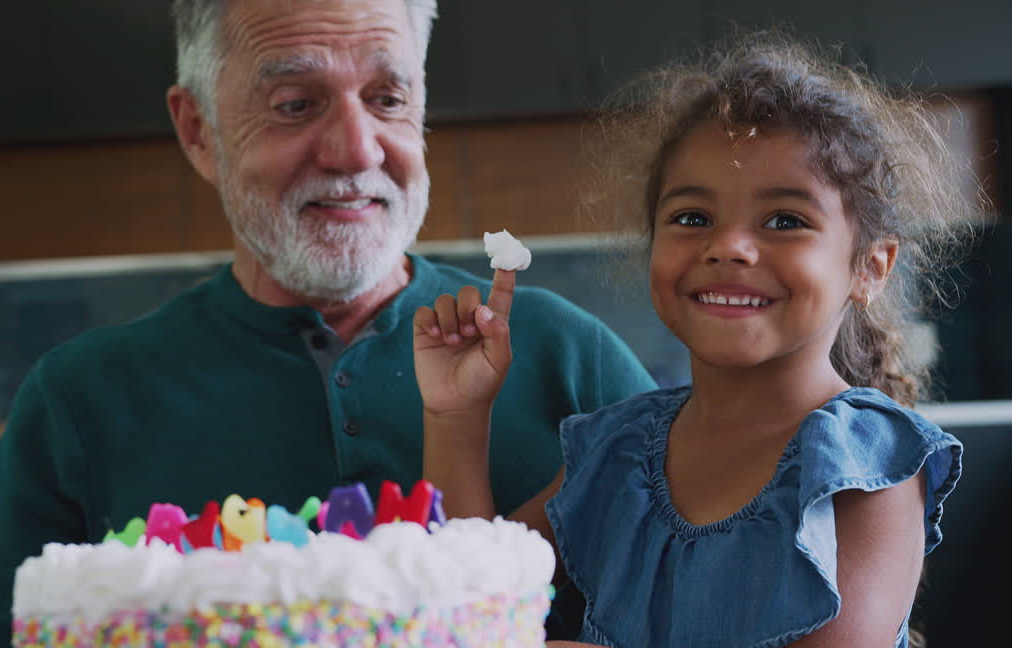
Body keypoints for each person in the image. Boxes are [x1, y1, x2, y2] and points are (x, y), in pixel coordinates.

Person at [0, 0, 655, 644]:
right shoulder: (81, 400)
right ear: (198, 130)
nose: (356, 147)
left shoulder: (569, 359)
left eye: (388, 96)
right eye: (295, 103)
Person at [415, 33, 975, 647]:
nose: (728, 245)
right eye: (692, 218)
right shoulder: (615, 450)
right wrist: (456, 415)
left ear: (870, 266)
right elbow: (468, 597)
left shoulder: (869, 463)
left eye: (785, 221)